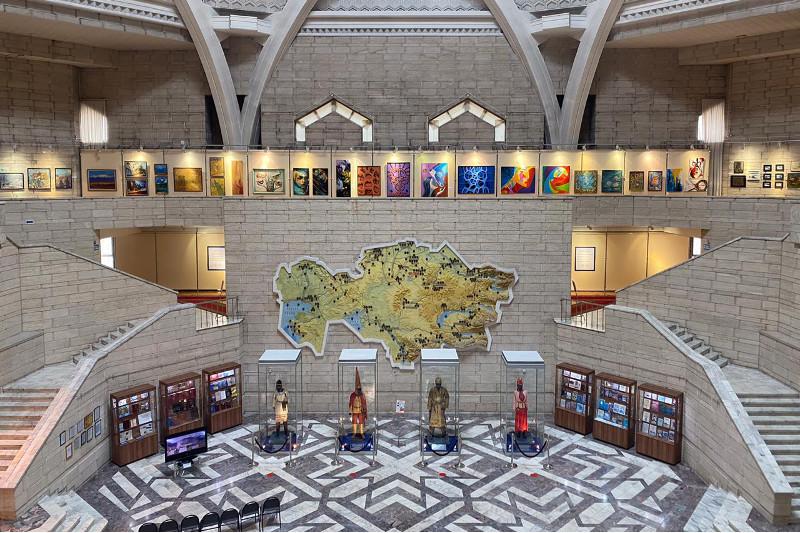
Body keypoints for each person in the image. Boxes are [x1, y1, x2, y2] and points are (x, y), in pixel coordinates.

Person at [349, 368, 367, 438]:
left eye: (359, 389)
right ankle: (354, 433)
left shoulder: (362, 395)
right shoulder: (352, 395)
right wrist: (350, 411)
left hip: (360, 410)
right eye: (357, 389)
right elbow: (350, 403)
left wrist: (364, 410)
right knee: (354, 422)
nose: (358, 390)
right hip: (354, 410)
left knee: (361, 422)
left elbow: (364, 403)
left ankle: (362, 433)